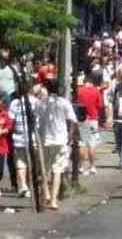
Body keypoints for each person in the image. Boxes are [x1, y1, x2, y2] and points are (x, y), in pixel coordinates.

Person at [35, 79, 77, 210]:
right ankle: (53, 200)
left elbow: (36, 122)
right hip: (60, 139)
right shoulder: (63, 103)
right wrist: (70, 136)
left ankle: (46, 194)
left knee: (44, 169)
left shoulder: (40, 103)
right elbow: (73, 121)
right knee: (57, 170)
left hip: (45, 139)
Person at [8, 82, 38, 198]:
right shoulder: (35, 102)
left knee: (21, 162)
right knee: (33, 162)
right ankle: (30, 186)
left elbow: (11, 120)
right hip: (33, 137)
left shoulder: (15, 103)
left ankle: (24, 186)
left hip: (18, 136)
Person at [76, 75, 102, 175]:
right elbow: (99, 105)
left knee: (82, 143)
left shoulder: (79, 90)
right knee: (92, 143)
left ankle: (82, 166)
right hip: (93, 120)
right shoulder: (96, 91)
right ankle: (92, 167)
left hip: (82, 119)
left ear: (84, 81)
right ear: (92, 82)